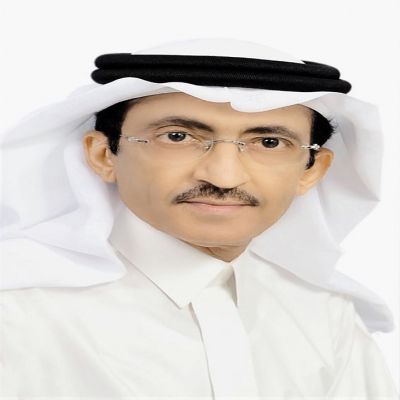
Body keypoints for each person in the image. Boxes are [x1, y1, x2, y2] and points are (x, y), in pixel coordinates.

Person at [0, 38, 398, 398]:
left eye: (268, 142)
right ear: (104, 155)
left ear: (312, 171)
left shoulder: (324, 316)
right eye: (177, 136)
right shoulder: (18, 316)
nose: (224, 176)